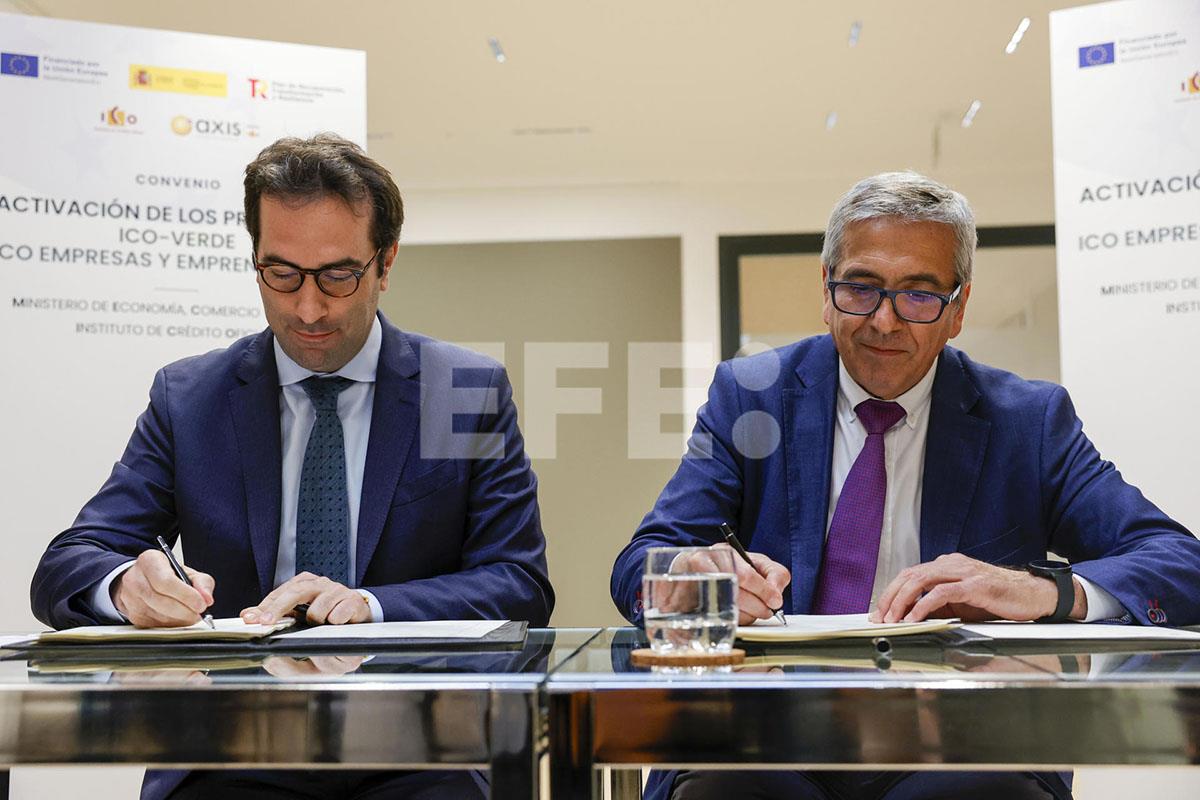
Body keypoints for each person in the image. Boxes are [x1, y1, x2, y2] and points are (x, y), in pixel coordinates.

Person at [610, 171, 1200, 800]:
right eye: (861, 288)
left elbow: (1178, 565)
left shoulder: (1026, 421)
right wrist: (692, 572)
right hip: (763, 727)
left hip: (964, 736)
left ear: (959, 308)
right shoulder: (750, 395)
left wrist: (1041, 591)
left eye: (919, 296)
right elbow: (639, 565)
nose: (885, 322)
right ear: (827, 288)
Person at [30, 133, 554, 800]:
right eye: (281, 274)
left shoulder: (462, 391)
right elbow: (68, 563)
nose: (308, 309)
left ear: (385, 262)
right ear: (255, 260)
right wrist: (124, 586)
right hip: (231, 749)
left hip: (421, 746)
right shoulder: (191, 399)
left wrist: (369, 605)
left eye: (338, 275)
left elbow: (519, 583)